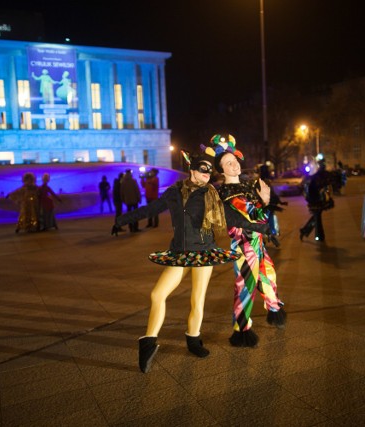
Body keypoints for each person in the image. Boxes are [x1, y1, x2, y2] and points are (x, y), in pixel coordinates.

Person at [111, 152, 239, 373]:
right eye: (203, 170)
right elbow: (151, 209)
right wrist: (121, 220)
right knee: (157, 294)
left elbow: (234, 213)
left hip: (204, 252)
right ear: (192, 171)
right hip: (179, 252)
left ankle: (193, 340)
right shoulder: (174, 193)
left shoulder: (213, 194)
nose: (207, 175)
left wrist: (263, 227)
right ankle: (148, 341)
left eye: (210, 171)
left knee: (197, 299)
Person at [203, 134, 287, 348]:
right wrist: (265, 201)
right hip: (243, 246)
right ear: (221, 170)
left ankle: (275, 310)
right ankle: (242, 330)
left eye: (235, 161)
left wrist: (267, 203)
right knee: (245, 287)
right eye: (228, 163)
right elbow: (254, 215)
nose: (234, 165)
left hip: (257, 242)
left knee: (268, 276)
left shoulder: (248, 186)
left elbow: (264, 215)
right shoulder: (228, 194)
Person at [300, 155, 335, 242]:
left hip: (317, 200)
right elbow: (309, 188)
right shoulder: (313, 176)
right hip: (315, 200)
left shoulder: (318, 175)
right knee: (317, 217)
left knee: (316, 217)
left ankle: (307, 231)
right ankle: (317, 235)